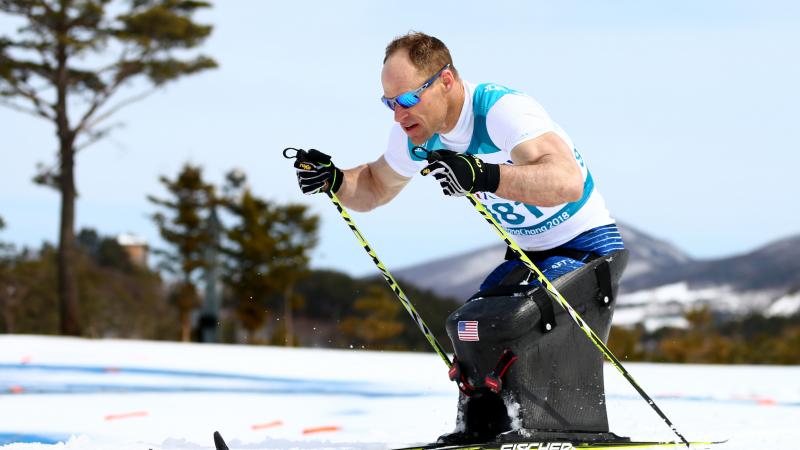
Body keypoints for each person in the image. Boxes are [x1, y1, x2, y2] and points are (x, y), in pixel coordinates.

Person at [294, 31, 624, 290]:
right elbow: (375, 186)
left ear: (446, 81)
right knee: (472, 332)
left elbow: (567, 183)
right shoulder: (416, 132)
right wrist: (335, 179)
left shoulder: (500, 111)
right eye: (389, 103)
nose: (398, 116)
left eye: (408, 98)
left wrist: (484, 176)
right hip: (526, 254)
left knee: (513, 331)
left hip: (588, 245)